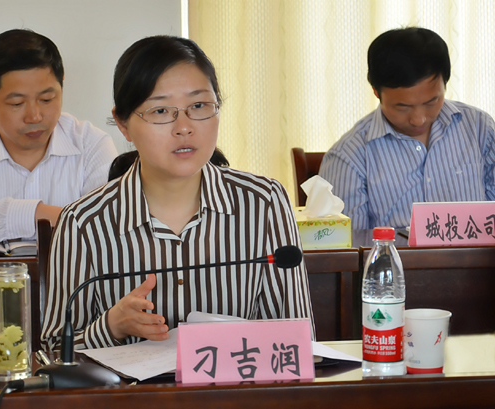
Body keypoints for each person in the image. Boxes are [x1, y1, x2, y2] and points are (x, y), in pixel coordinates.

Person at [41, 35, 314, 350]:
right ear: (123, 123)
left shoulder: (264, 202)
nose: (184, 127)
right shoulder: (83, 222)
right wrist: (111, 326)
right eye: (160, 111)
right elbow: (53, 354)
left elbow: (297, 342)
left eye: (198, 106)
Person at [0, 29, 117, 246]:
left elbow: (105, 226)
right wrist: (38, 214)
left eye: (46, 99)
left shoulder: (92, 144)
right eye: (17, 103)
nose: (34, 116)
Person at [319, 27, 495, 230]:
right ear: (376, 92)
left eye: (431, 102)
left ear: (445, 84)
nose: (419, 119)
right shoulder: (349, 157)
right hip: (394, 253)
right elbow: (348, 244)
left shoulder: (479, 129)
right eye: (402, 107)